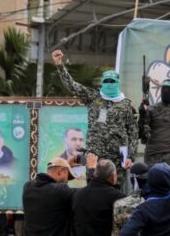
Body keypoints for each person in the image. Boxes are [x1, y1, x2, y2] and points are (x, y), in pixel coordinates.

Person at [52, 49, 137, 191]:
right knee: (93, 191)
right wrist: (59, 65)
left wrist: (131, 156)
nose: (109, 83)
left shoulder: (126, 105)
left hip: (117, 159)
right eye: (106, 81)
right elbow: (72, 85)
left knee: (114, 194)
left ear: (117, 83)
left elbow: (133, 132)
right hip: (94, 158)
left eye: (112, 81)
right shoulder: (93, 97)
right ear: (102, 82)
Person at [140, 79, 170, 179]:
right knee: (151, 185)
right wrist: (142, 115)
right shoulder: (152, 109)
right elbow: (142, 135)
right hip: (153, 155)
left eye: (169, 89)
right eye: (163, 89)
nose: (166, 92)